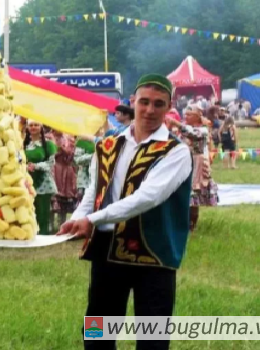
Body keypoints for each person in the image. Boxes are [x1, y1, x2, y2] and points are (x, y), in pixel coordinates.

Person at [59, 74, 193, 350]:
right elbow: (94, 192)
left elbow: (146, 198)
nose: (150, 110)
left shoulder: (176, 152)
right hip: (107, 251)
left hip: (155, 253)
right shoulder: (107, 144)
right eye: (144, 102)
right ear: (132, 102)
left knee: (153, 339)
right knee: (96, 332)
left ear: (168, 107)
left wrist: (91, 220)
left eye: (159, 104)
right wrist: (75, 221)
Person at [168, 108, 219, 231]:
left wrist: (175, 123)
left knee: (193, 194)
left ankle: (191, 225)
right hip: (185, 162)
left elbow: (191, 133)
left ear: (197, 116)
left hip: (197, 164)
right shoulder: (184, 130)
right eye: (185, 114)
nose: (186, 116)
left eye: (189, 114)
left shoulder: (203, 130)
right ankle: (180, 222)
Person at [24, 120, 57, 235]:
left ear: (41, 127)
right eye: (31, 125)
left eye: (36, 125)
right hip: (27, 182)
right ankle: (31, 233)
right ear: (27, 127)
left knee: (43, 211)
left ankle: (43, 234)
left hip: (44, 182)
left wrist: (36, 166)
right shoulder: (23, 144)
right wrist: (25, 166)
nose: (33, 127)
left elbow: (51, 163)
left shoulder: (48, 144)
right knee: (29, 209)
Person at [49, 130, 77, 214]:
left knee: (66, 196)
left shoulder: (69, 137)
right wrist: (58, 148)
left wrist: (65, 150)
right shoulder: (48, 137)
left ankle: (63, 220)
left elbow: (71, 154)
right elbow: (51, 154)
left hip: (67, 169)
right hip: (55, 168)